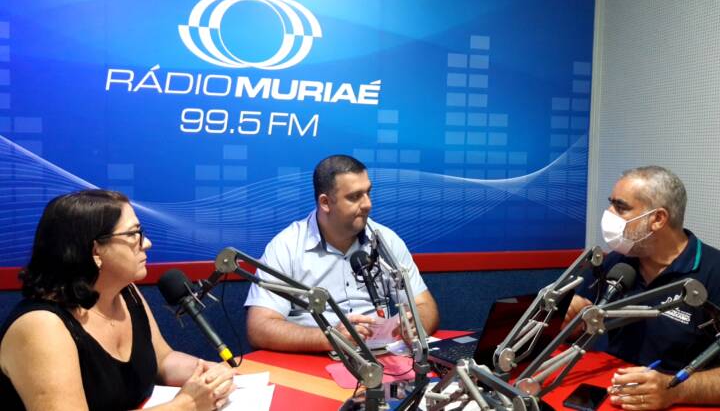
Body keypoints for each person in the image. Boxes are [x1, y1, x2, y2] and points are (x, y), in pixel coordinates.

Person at [564, 166, 720, 410]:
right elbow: (579, 330)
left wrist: (676, 389)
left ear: (658, 219)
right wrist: (571, 321)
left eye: (620, 207)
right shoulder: (618, 264)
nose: (609, 214)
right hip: (617, 395)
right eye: (610, 204)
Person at [0, 190, 236, 410]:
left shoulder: (126, 292)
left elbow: (164, 360)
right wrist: (186, 405)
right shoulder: (40, 326)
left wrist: (207, 374)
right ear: (96, 251)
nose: (147, 243)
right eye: (133, 234)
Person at [246, 154, 440, 352]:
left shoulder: (385, 240)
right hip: (314, 358)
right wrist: (329, 338)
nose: (367, 204)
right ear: (325, 202)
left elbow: (424, 305)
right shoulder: (286, 246)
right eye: (355, 197)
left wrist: (417, 325)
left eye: (368, 192)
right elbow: (259, 327)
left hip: (382, 356)